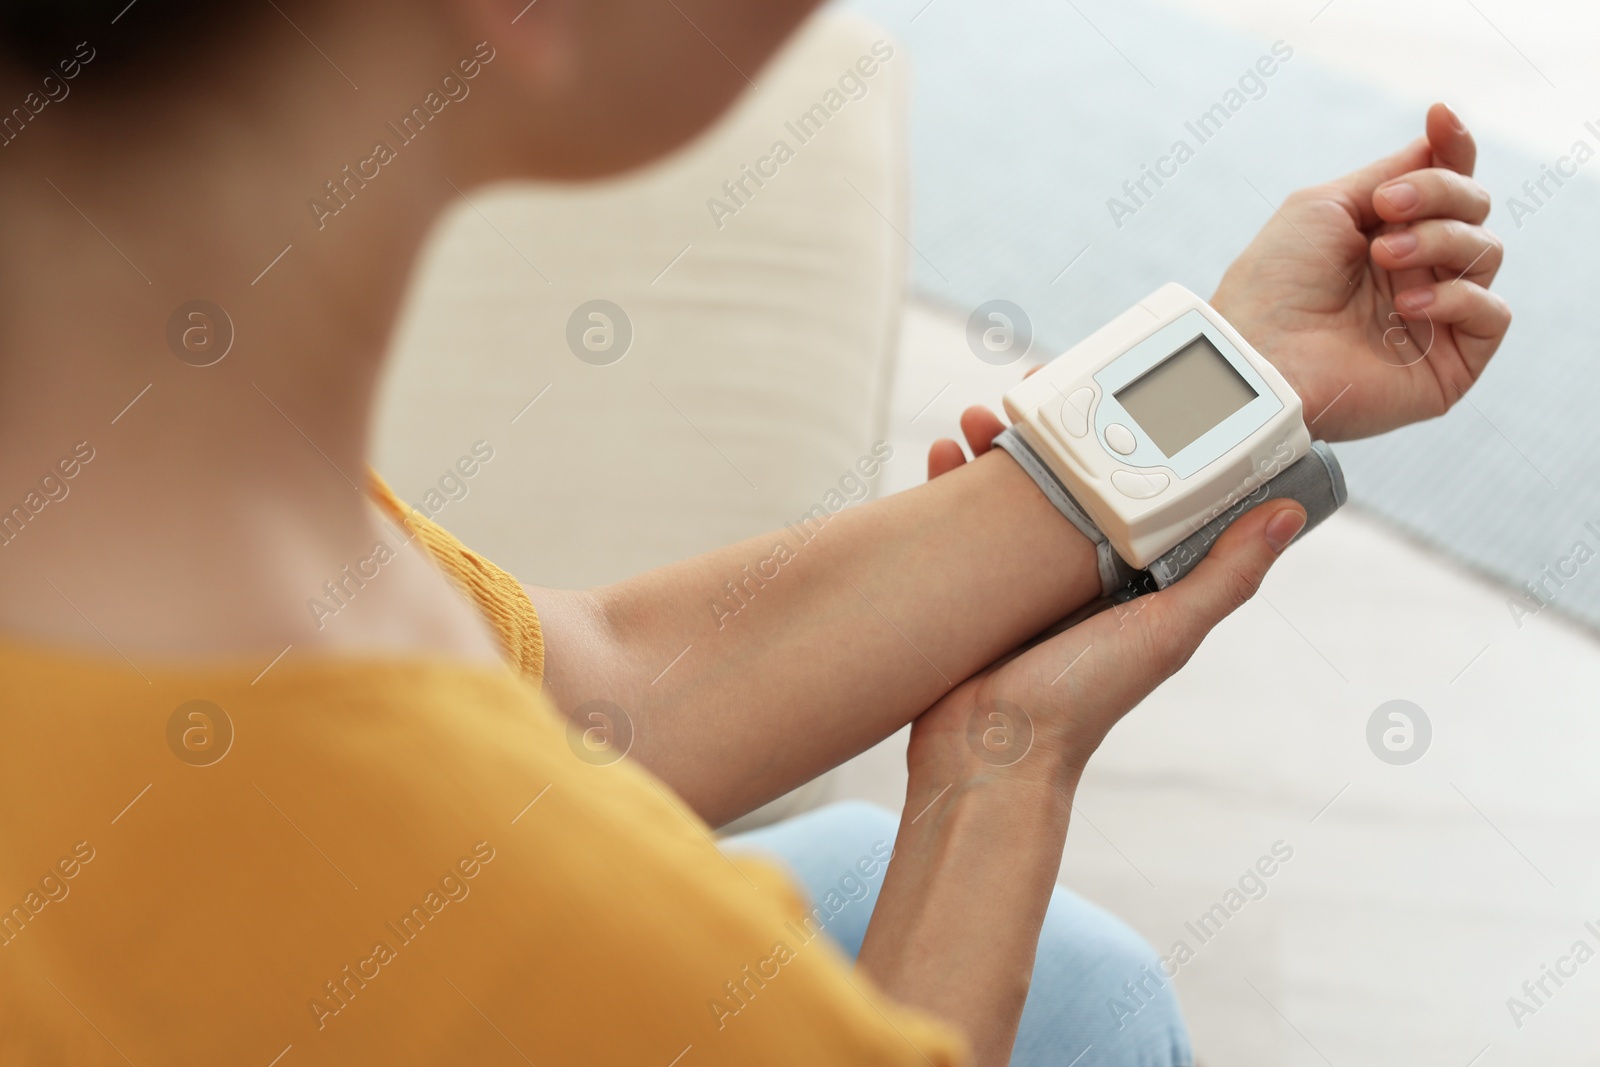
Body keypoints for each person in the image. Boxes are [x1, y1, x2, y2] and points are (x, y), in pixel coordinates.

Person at [0, 1, 1508, 1064]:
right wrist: (1003, 770)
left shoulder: (155, 488)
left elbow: (597, 684)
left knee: (1023, 959)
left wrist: (1223, 381)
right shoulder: (549, 949)